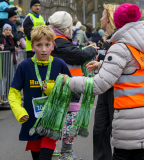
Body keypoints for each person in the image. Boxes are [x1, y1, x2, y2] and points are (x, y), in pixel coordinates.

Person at [62, 4, 144, 160]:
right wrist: (102, 65)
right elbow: (132, 67)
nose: (101, 18)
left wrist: (69, 81)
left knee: (122, 156)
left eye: (103, 16)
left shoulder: (121, 47)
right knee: (136, 155)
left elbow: (98, 85)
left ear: (115, 21)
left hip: (131, 114)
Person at [8, 25, 71, 160]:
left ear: (53, 46)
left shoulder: (60, 64)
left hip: (52, 119)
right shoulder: (24, 66)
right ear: (32, 46)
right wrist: (19, 111)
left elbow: (71, 91)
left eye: (47, 45)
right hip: (32, 119)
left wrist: (53, 89)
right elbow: (13, 93)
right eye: (39, 45)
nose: (43, 49)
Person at [48, 11, 97, 160]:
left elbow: (73, 54)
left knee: (55, 120)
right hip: (69, 87)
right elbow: (78, 56)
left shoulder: (53, 40)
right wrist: (92, 50)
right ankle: (66, 152)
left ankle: (52, 149)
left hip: (59, 86)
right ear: (65, 26)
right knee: (69, 122)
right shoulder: (59, 41)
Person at [90, 4, 118, 160]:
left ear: (109, 19)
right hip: (104, 89)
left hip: (117, 90)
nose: (100, 18)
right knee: (99, 130)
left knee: (118, 133)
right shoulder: (107, 40)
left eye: (102, 16)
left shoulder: (120, 39)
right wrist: (99, 63)